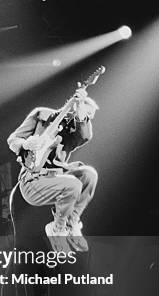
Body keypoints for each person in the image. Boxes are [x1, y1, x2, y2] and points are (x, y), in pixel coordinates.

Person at [7, 88, 99, 252]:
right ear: (75, 105)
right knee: (73, 185)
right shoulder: (41, 114)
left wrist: (81, 116)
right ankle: (57, 231)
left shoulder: (74, 129)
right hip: (33, 180)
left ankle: (70, 224)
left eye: (89, 116)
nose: (87, 117)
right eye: (87, 113)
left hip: (58, 179)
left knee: (89, 175)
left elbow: (84, 136)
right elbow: (13, 140)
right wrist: (25, 144)